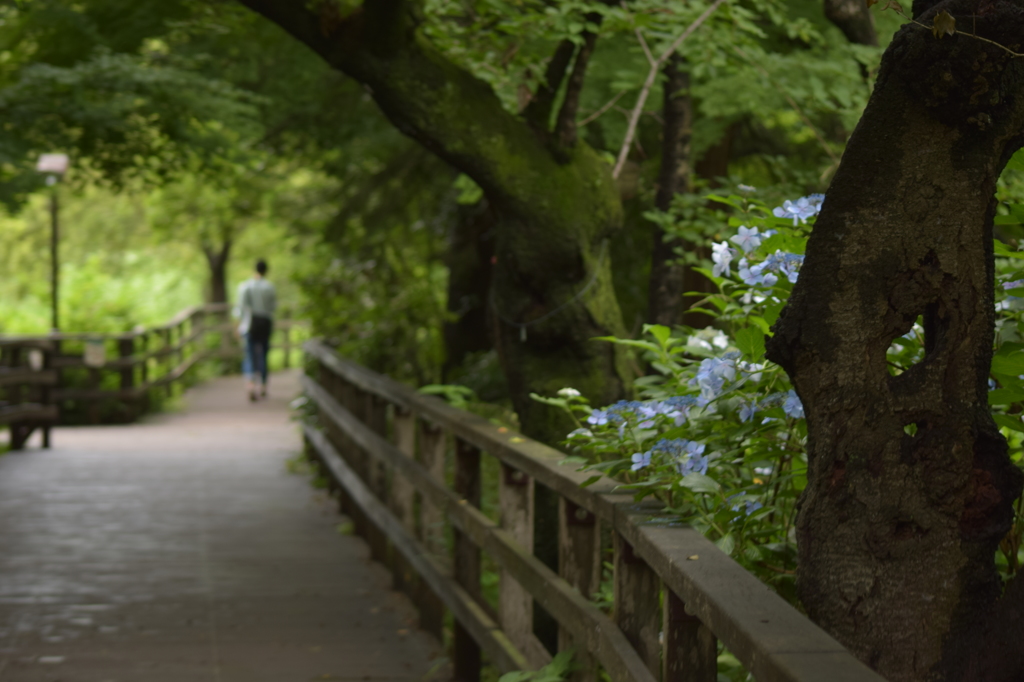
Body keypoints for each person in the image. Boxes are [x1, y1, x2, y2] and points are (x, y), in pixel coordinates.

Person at [235, 259, 277, 401]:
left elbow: (241, 308)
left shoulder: (246, 286)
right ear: (266, 270)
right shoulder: (270, 287)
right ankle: (263, 385)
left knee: (250, 355)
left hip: (250, 324)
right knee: (264, 354)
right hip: (265, 323)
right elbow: (273, 307)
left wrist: (239, 326)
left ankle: (251, 384)